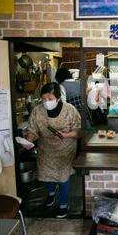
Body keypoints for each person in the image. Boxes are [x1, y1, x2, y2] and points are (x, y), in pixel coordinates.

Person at [23, 82, 81, 218]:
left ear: (58, 98)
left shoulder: (70, 110)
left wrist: (65, 135)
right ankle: (51, 193)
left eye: (50, 99)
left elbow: (79, 131)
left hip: (65, 149)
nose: (46, 102)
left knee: (63, 177)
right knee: (45, 175)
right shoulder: (37, 111)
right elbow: (33, 130)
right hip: (45, 149)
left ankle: (64, 204)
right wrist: (29, 140)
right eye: (43, 99)